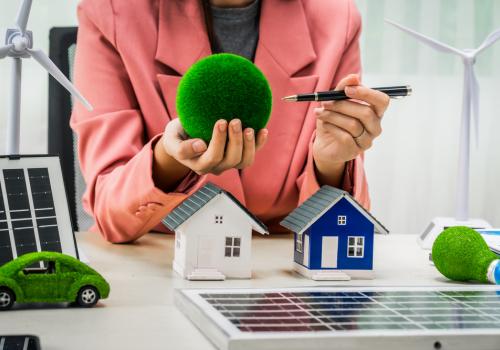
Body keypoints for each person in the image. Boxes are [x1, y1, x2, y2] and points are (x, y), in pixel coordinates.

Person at [71, 0, 390, 243]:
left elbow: (341, 225)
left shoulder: (336, 18)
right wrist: (170, 161)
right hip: (163, 261)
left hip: (279, 270)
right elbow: (110, 211)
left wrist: (331, 162)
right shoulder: (112, 13)